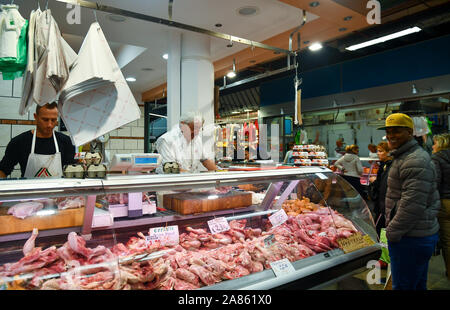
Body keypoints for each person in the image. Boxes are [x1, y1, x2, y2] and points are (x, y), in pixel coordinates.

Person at [379, 113, 440, 290]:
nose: (391, 135)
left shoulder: (415, 160)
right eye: (388, 131)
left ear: (409, 132)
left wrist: (391, 232)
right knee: (418, 284)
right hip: (415, 234)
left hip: (410, 237)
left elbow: (411, 206)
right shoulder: (404, 156)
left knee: (404, 286)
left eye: (396, 131)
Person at [0, 103, 75, 178]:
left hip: (58, 188)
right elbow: (2, 171)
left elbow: (71, 171)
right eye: (45, 120)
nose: (50, 124)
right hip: (29, 188)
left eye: (53, 120)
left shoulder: (66, 142)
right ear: (36, 117)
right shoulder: (19, 142)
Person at [368, 141, 393, 268]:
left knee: (381, 231)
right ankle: (384, 257)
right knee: (381, 231)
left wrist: (374, 182)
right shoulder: (384, 165)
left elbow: (383, 188)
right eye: (377, 151)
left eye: (381, 151)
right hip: (382, 205)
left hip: (384, 206)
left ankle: (384, 258)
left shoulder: (389, 166)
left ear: (388, 152)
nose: (378, 153)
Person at [431, 133, 450, 280]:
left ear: (441, 144)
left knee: (447, 240)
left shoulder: (437, 158)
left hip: (445, 203)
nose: (432, 146)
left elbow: (435, 183)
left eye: (435, 143)